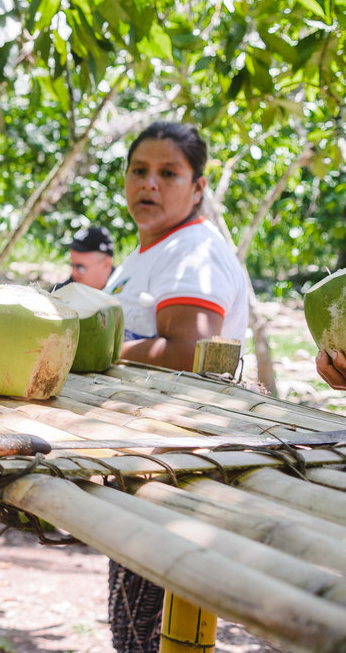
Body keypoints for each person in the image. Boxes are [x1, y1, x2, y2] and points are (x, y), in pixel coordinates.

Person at [101, 121, 250, 653]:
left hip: (177, 465)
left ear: (198, 188)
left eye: (169, 173)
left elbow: (190, 351)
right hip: (142, 454)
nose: (150, 185)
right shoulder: (149, 252)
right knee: (133, 627)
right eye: (139, 171)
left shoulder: (194, 253)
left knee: (147, 630)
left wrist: (95, 351)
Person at [54, 226, 115, 290]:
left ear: (106, 264)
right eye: (72, 265)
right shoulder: (63, 291)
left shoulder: (123, 294)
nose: (73, 273)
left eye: (80, 267)